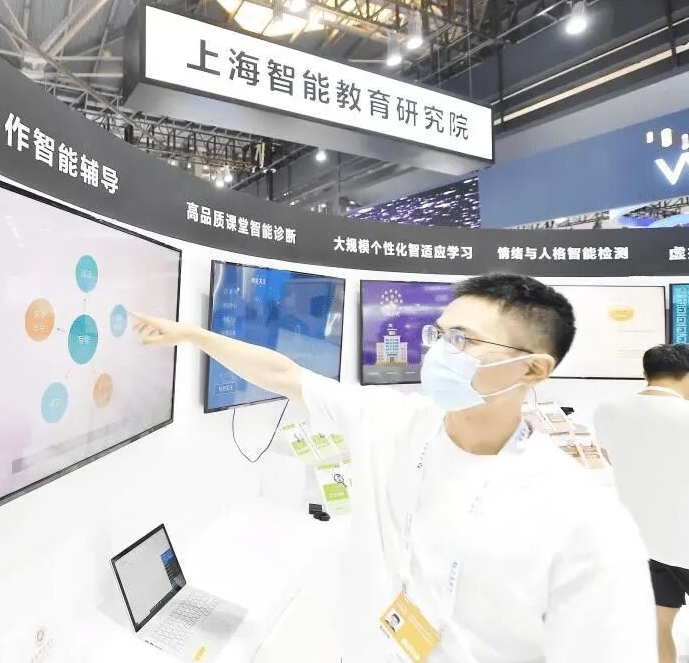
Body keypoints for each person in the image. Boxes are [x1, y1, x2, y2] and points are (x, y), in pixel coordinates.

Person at [133, 273, 655, 662]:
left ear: (534, 368)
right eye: (439, 335)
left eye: (463, 340)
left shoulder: (583, 518)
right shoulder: (393, 423)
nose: (439, 353)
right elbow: (285, 375)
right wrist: (193, 335)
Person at [594, 344, 689, 663]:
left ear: (645, 373)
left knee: (658, 627)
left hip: (645, 541)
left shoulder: (608, 409)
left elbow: (611, 457)